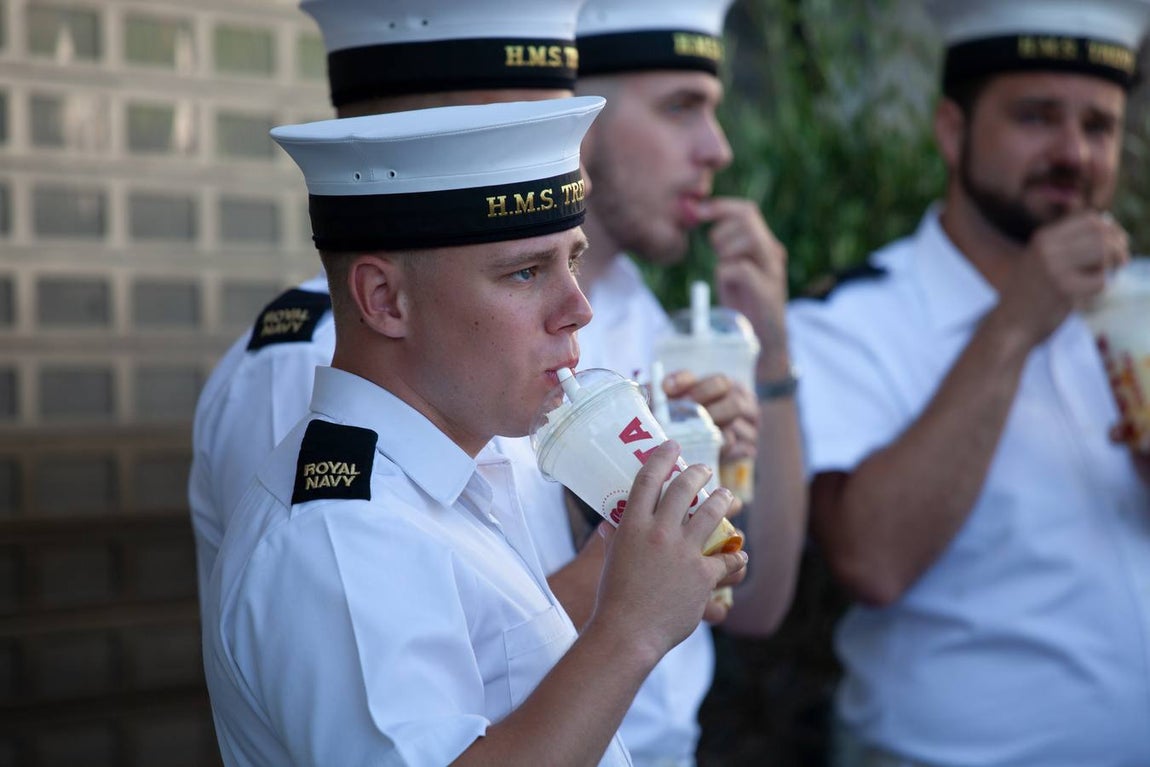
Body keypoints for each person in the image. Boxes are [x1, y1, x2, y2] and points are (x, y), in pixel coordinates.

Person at [201, 97, 749, 766]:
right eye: (525, 271)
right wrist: (630, 627)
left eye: (572, 261)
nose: (577, 309)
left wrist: (634, 562)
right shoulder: (339, 532)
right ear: (385, 299)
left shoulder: (457, 471)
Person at [787, 1, 1150, 764]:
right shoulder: (850, 320)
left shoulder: (1139, 305)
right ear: (952, 131)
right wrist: (1015, 323)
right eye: (1037, 117)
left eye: (1099, 126)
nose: (1074, 153)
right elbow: (872, 560)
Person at [189, 0, 587, 602]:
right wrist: (631, 604)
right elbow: (337, 591)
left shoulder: (482, 352)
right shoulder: (309, 361)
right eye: (518, 118)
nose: (559, 149)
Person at [565, 3, 809, 763]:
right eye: (680, 107)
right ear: (578, 117)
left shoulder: (656, 320)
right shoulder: (486, 341)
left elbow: (757, 605)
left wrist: (769, 355)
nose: (718, 148)